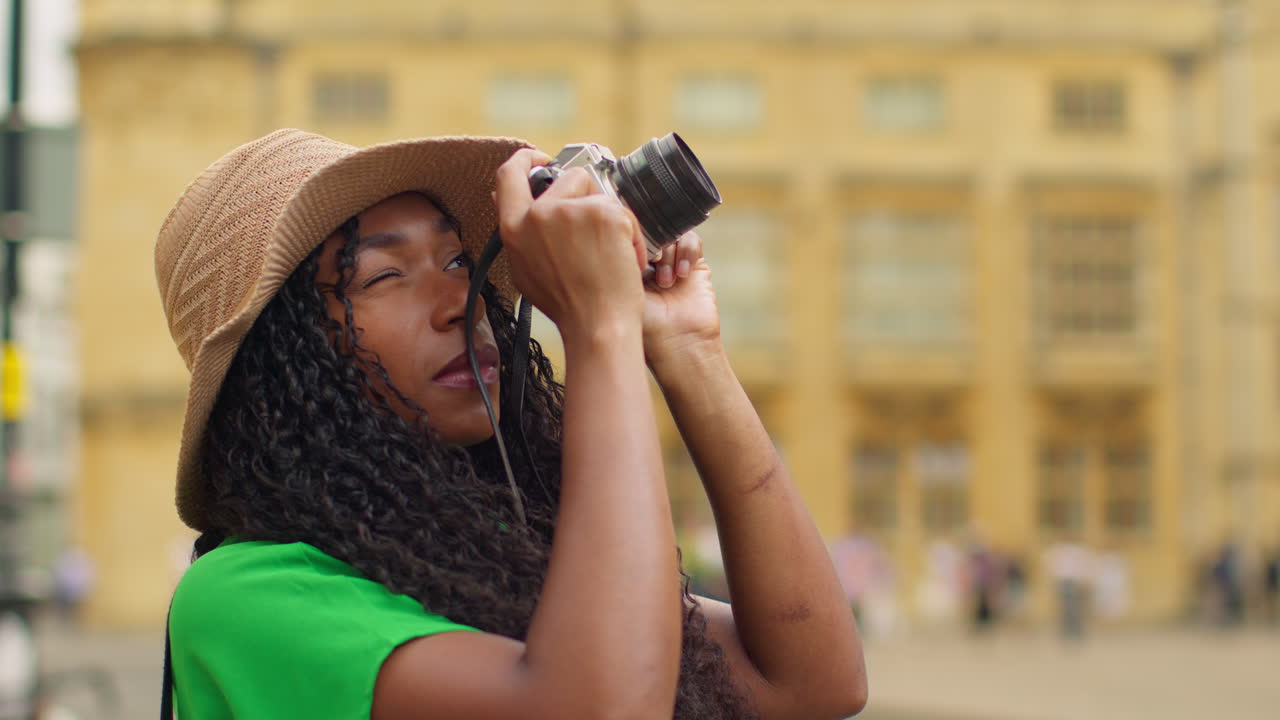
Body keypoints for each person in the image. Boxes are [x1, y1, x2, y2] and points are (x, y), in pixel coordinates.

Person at [156, 129, 867, 720]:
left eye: (459, 259)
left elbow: (811, 683)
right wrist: (599, 327)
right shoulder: (246, 596)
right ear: (283, 367)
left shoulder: (497, 547)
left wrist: (689, 351)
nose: (458, 302)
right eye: (383, 276)